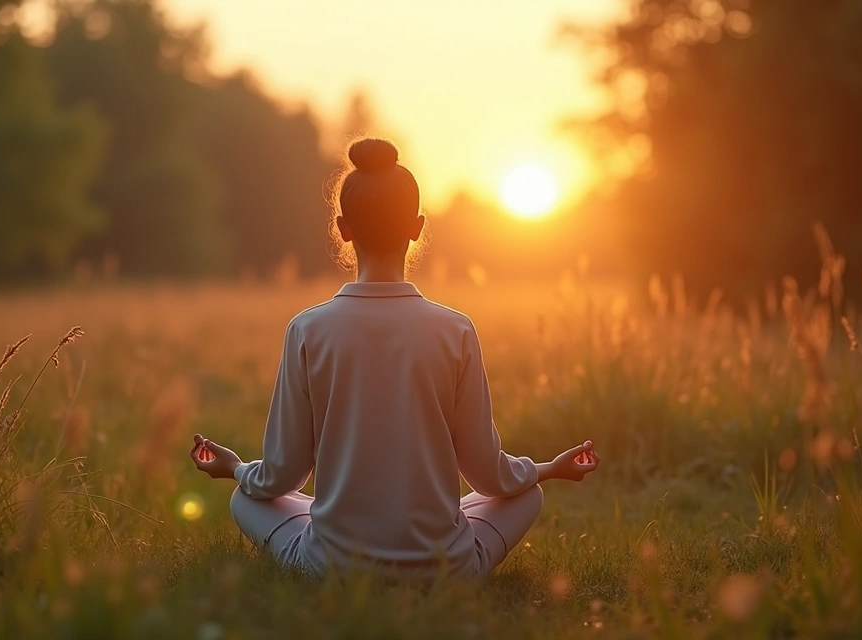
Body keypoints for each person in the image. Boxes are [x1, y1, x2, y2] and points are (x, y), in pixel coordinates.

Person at [190, 138, 600, 580]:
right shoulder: (456, 330)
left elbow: (281, 478)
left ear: (343, 229)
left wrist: (235, 468)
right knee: (528, 493)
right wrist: (547, 470)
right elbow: (489, 477)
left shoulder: (307, 329)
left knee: (245, 497)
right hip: (447, 568)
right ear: (417, 226)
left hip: (331, 567)